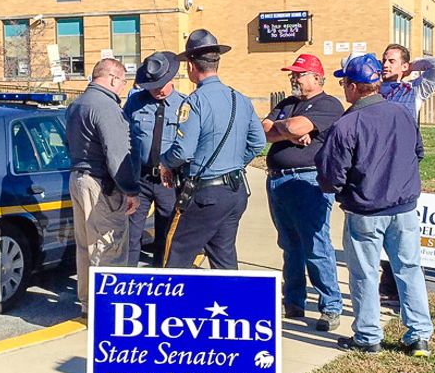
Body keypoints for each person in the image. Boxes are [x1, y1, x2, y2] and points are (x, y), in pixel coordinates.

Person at [315, 53, 433, 357]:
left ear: (354, 87)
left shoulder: (347, 123)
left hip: (365, 212)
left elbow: (330, 175)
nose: (343, 87)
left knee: (365, 274)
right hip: (404, 208)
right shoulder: (402, 113)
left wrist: (342, 191)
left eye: (344, 82)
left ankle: (368, 336)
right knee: (409, 269)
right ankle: (419, 335)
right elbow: (418, 152)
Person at [159, 29, 266, 270]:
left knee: (176, 253)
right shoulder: (240, 98)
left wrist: (165, 161)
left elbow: (183, 152)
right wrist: (235, 162)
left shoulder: (195, 102)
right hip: (235, 191)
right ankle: (232, 306)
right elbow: (258, 143)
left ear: (190, 66)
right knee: (223, 255)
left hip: (205, 195)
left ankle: (171, 306)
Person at [262, 54, 344, 331]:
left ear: (316, 77)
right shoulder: (287, 103)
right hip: (277, 181)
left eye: (299, 74)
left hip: (309, 182)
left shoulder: (328, 104)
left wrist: (284, 129)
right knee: (289, 245)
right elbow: (263, 131)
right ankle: (293, 302)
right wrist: (289, 132)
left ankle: (330, 306)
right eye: (293, 74)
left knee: (316, 245)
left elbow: (292, 127)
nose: (294, 78)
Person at [65, 58, 140, 318]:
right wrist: (130, 189)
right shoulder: (106, 107)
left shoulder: (77, 104)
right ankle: (107, 313)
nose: (123, 87)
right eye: (122, 81)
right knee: (109, 248)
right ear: (112, 78)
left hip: (78, 177)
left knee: (86, 247)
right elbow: (117, 154)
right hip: (101, 184)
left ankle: (88, 306)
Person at [378, 44, 435, 303]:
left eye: (392, 61)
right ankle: (388, 281)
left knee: (400, 228)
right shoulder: (372, 87)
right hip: (375, 165)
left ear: (404, 66)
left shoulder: (415, 89)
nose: (385, 65)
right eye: (383, 60)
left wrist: (411, 67)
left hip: (402, 167)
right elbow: (347, 60)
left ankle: (398, 286)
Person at [123, 51, 185, 267]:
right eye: (153, 85)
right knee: (131, 234)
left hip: (168, 180)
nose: (157, 90)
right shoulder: (135, 103)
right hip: (140, 179)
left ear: (171, 79)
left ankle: (160, 278)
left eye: (161, 84)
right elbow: (124, 137)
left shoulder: (184, 106)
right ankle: (129, 277)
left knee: (165, 234)